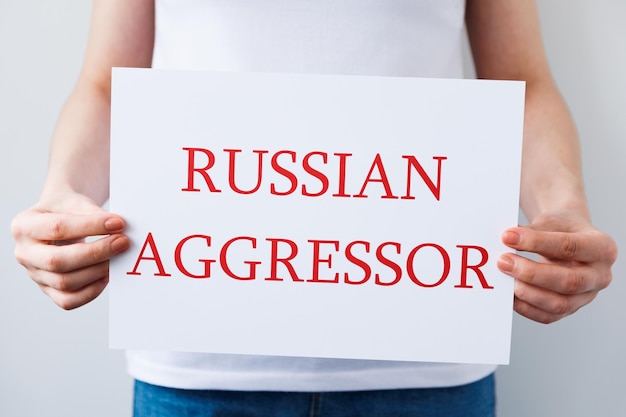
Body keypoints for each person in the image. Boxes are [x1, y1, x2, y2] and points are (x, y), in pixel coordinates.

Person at [10, 0, 617, 416]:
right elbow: (109, 82)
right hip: (200, 357)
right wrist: (63, 194)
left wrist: (562, 209)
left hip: (426, 358)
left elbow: (520, 80)